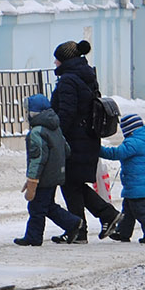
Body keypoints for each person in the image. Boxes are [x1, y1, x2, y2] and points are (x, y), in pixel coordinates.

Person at [50, 39, 120, 241]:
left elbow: (67, 113)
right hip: (87, 138)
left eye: (57, 59)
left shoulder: (68, 80)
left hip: (74, 141)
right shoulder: (86, 75)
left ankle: (90, 223)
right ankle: (82, 227)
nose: (55, 63)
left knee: (70, 183)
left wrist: (57, 136)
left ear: (65, 60)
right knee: (74, 183)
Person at [16, 93, 84, 246]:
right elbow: (66, 150)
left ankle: (35, 236)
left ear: (33, 113)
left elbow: (37, 159)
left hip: (43, 176)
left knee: (37, 207)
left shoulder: (37, 132)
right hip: (55, 174)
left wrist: (32, 179)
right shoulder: (55, 128)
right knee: (46, 205)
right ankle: (72, 224)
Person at [98, 112, 145, 243]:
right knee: (128, 211)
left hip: (138, 187)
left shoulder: (134, 142)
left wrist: (98, 149)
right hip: (139, 186)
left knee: (142, 212)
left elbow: (116, 153)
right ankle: (122, 232)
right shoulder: (144, 138)